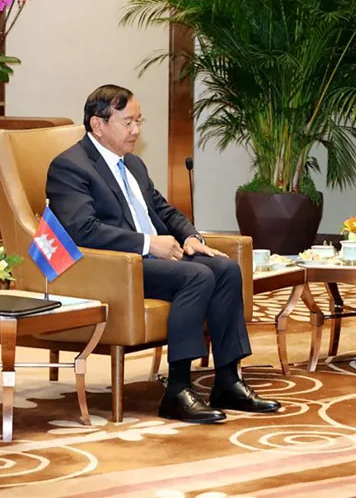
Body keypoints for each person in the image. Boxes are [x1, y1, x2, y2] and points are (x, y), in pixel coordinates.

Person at [46, 85, 280, 424]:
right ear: (98, 125)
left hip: (153, 260)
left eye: (139, 121)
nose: (136, 130)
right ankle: (178, 391)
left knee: (225, 268)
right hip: (114, 268)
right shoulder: (70, 166)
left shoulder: (133, 164)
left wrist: (191, 236)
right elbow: (82, 229)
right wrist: (147, 244)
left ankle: (228, 382)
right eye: (127, 122)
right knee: (197, 276)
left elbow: (163, 209)